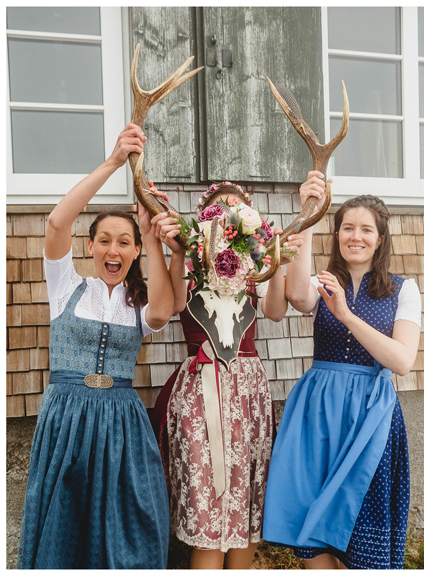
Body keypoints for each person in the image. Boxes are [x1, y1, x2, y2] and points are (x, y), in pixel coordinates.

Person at [17, 124, 177, 568]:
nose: (114, 249)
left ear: (133, 252)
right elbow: (57, 221)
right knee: (65, 525)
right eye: (104, 240)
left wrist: (155, 238)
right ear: (89, 247)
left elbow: (164, 312)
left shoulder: (137, 303)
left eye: (125, 242)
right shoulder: (66, 286)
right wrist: (112, 163)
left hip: (122, 422)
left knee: (129, 523)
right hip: (67, 416)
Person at [262, 174, 421, 569]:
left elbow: (401, 361)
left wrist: (346, 315)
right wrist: (310, 213)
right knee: (315, 543)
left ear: (380, 238)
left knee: (360, 535)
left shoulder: (404, 289)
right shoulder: (322, 283)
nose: (356, 236)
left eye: (366, 229)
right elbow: (297, 296)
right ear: (336, 235)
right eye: (347, 228)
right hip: (318, 414)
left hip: (371, 415)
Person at [149, 182, 300, 569]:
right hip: (202, 388)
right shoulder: (188, 261)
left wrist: (278, 262)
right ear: (205, 220)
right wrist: (178, 251)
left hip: (249, 391)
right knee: (210, 509)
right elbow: (177, 303)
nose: (229, 215)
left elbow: (277, 311)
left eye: (238, 209)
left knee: (248, 509)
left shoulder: (254, 269)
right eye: (220, 209)